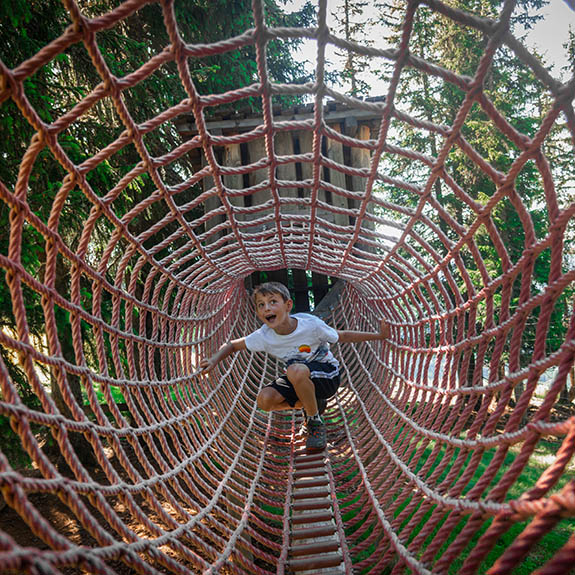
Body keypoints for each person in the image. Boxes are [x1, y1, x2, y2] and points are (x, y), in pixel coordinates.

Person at [200, 282, 390, 451]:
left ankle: (314, 422)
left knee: (295, 370)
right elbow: (233, 345)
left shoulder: (311, 325)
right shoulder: (264, 336)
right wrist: (213, 360)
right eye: (261, 305)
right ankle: (312, 406)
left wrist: (378, 336)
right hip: (299, 378)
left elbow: (343, 336)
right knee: (265, 400)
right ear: (258, 313)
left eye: (273, 302)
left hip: (327, 376)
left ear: (288, 305)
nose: (267, 308)